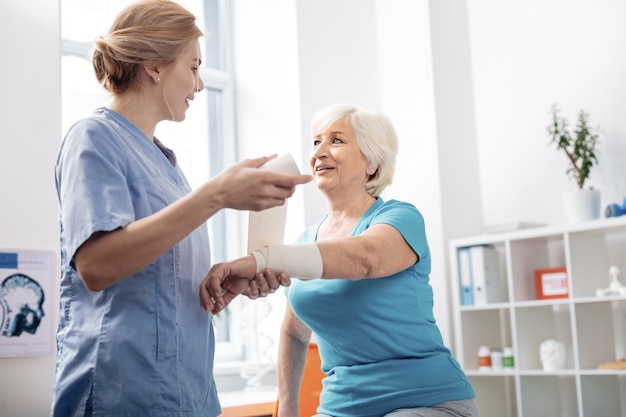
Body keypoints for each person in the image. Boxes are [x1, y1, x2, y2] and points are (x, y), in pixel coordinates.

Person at [50, 1, 311, 416]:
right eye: (193, 67)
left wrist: (223, 284)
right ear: (155, 66)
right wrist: (216, 195)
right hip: (122, 394)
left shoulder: (169, 169)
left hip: (189, 396)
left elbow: (156, 283)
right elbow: (97, 266)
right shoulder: (93, 139)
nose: (200, 84)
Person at [200, 104, 480, 417]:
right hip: (341, 408)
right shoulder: (305, 242)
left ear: (371, 163)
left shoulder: (399, 217)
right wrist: (288, 409)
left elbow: (365, 259)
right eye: (316, 141)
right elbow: (294, 332)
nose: (319, 151)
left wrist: (264, 260)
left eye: (336, 141)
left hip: (424, 401)